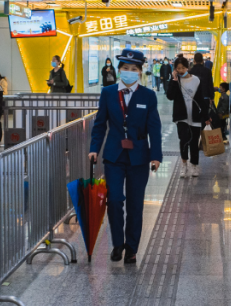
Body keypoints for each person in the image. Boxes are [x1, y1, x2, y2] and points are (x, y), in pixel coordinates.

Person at [89, 49, 162, 264]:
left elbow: (154, 128)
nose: (129, 72)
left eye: (134, 69)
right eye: (125, 69)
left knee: (135, 204)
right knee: (114, 200)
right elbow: (100, 123)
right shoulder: (108, 92)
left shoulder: (148, 96)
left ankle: (131, 248)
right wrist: (94, 147)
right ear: (119, 70)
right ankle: (117, 244)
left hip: (139, 157)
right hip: (114, 155)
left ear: (140, 72)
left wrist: (156, 155)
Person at [166, 57, 210, 178]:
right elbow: (170, 96)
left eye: (183, 68)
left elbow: (201, 99)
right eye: (178, 68)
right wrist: (174, 80)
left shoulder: (196, 80)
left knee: (194, 142)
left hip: (195, 116)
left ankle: (194, 165)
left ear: (188, 67)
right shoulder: (175, 81)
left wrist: (206, 116)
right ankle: (184, 165)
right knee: (184, 140)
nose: (180, 70)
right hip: (181, 116)